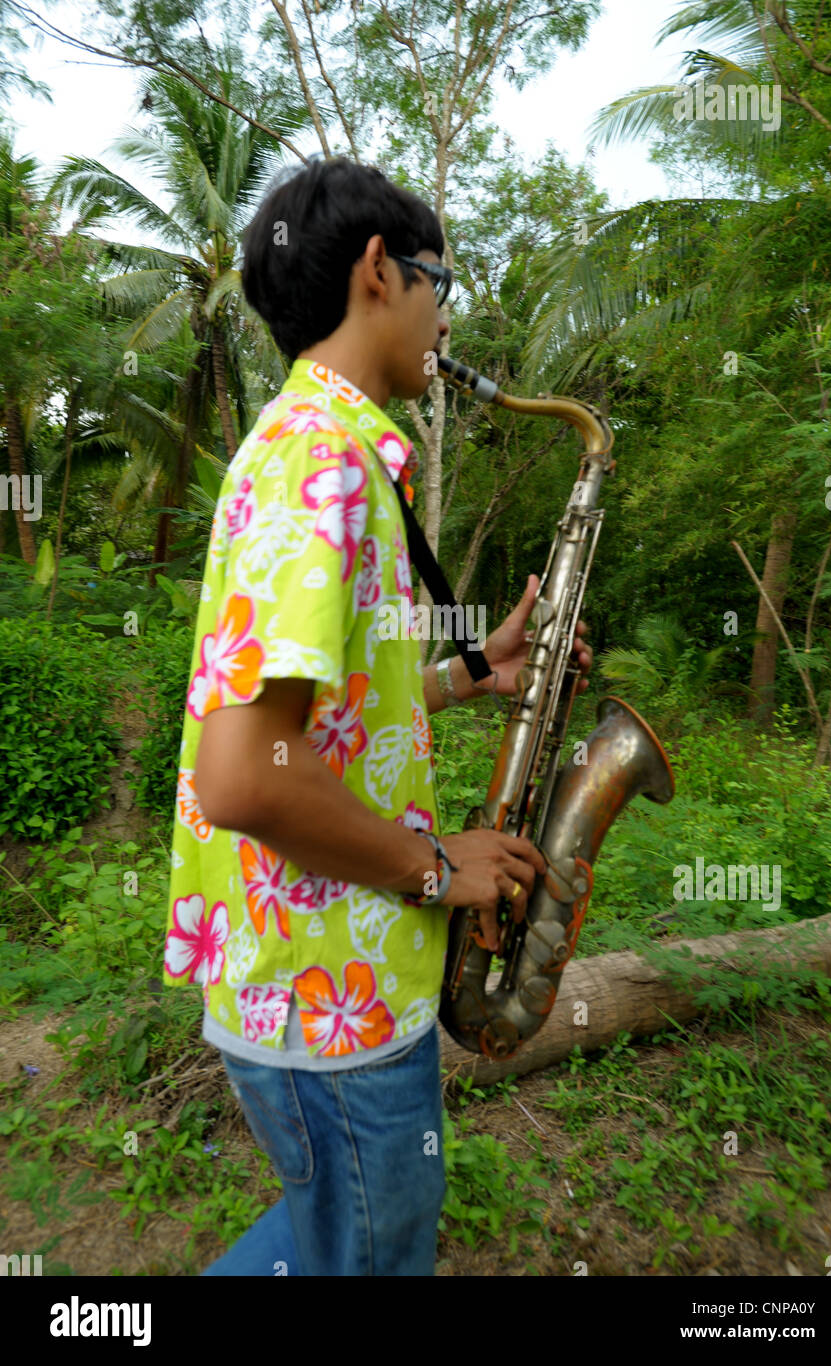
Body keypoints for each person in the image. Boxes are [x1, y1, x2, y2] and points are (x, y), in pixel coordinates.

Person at [161, 156, 593, 1276]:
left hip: (328, 976)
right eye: (437, 282)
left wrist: (474, 673)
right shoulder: (320, 461)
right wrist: (436, 865)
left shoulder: (324, 448)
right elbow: (245, 778)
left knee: (335, 1240)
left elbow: (317, 715)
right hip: (327, 993)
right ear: (375, 271)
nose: (445, 314)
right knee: (371, 1255)